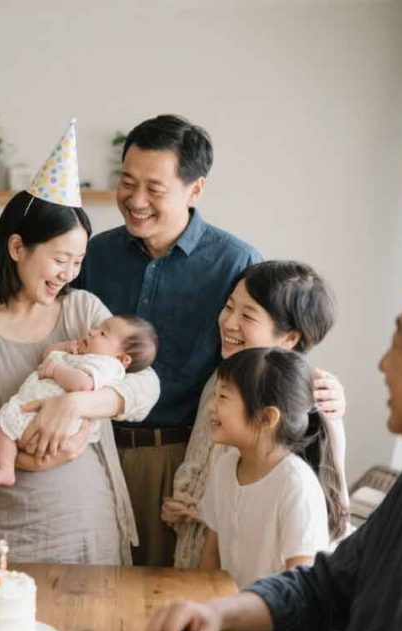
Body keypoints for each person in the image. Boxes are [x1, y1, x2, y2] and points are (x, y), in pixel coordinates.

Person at [142, 253, 402, 631]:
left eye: (400, 343)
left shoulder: (300, 466)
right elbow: (322, 588)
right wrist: (221, 615)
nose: (382, 365)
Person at [0, 119, 159, 564]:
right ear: (17, 248)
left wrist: (76, 404)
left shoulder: (85, 311)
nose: (68, 274)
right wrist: (9, 454)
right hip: (1, 529)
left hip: (88, 523)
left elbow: (145, 385)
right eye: (59, 259)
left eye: (78, 261)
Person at [73, 114, 262, 566]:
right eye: (127, 182)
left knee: (161, 595)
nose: (136, 201)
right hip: (90, 446)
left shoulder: (236, 261)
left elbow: (265, 356)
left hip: (177, 457)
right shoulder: (95, 253)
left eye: (154, 189)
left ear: (195, 189)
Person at [163, 260, 349, 568]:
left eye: (247, 315)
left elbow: (326, 509)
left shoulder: (313, 403)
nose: (228, 321)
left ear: (289, 338)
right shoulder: (223, 376)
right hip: (205, 559)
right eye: (229, 306)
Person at [200, 348, 347, 631]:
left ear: (267, 417)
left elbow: (304, 594)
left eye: (223, 397)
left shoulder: (294, 484)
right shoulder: (224, 469)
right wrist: (207, 618)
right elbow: (210, 561)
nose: (210, 407)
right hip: (246, 628)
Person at [0, 315, 158, 489]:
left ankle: (6, 467)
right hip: (35, 412)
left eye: (103, 334)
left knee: (4, 428)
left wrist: (56, 370)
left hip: (53, 420)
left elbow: (83, 386)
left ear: (122, 359)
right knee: (3, 428)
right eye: (96, 328)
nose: (91, 332)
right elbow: (47, 354)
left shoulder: (107, 365)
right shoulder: (84, 354)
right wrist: (66, 347)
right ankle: (6, 468)